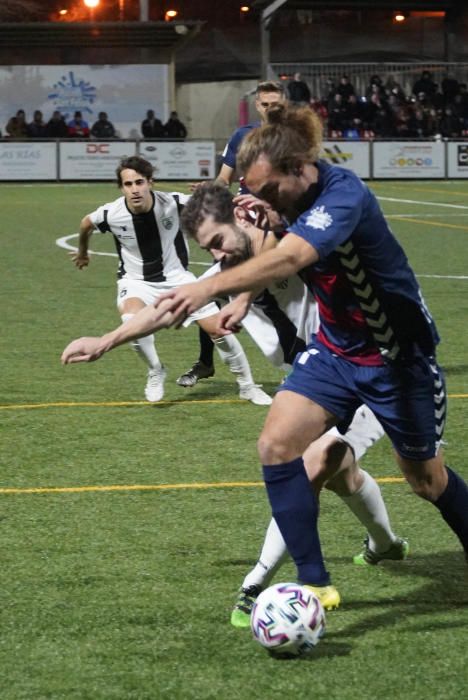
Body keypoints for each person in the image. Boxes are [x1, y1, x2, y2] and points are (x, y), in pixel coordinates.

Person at [132, 104, 468, 601]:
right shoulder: (282, 200)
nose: (263, 202)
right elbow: (261, 251)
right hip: (335, 351)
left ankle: (380, 543)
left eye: (268, 191)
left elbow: (290, 256)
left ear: (300, 168)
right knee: (277, 446)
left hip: (398, 359)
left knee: (426, 480)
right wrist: (106, 341)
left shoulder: (343, 195)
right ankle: (313, 584)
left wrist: (213, 292)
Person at [178, 183, 409, 626]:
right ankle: (385, 544)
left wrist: (252, 200)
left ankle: (255, 583)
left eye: (219, 240)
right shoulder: (229, 269)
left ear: (244, 218)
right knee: (340, 470)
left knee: (312, 466)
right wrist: (113, 337)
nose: (217, 253)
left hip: (364, 366)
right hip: (314, 380)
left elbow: (291, 225)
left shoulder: (294, 245)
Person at [68, 155, 271, 406]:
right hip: (136, 281)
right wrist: (83, 252)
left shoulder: (173, 202)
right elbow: (85, 224)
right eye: (128, 184)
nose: (135, 189)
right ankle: (155, 370)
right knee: (130, 322)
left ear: (150, 182)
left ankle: (247, 387)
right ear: (121, 188)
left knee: (219, 330)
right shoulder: (110, 214)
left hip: (178, 279)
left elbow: (211, 206)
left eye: (139, 182)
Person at [176, 80, 287, 389]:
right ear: (257, 105)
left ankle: (302, 364)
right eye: (265, 104)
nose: (269, 109)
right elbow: (224, 178)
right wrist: (209, 189)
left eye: (275, 104)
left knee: (281, 295)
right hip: (243, 222)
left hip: (276, 224)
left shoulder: (290, 139)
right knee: (212, 289)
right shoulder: (242, 136)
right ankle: (206, 362)